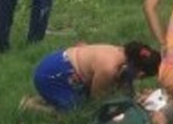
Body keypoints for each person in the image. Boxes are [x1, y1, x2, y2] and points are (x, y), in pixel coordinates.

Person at [22, 42, 161, 113]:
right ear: (140, 73)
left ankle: (48, 98)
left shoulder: (122, 54)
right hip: (52, 74)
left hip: (60, 64)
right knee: (80, 109)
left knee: (88, 96)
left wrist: (134, 95)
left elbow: (121, 84)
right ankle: (31, 106)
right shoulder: (109, 68)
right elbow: (97, 101)